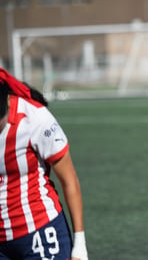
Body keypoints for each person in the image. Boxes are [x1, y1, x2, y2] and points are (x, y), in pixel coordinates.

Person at [0, 68, 88, 260]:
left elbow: (69, 180)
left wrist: (80, 244)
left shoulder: (35, 118)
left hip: (39, 231)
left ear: (8, 101)